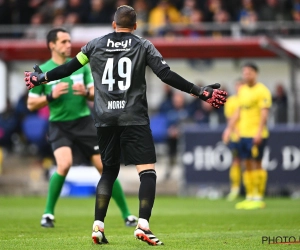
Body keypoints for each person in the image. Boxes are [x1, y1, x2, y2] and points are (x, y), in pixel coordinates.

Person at [24, 5, 227, 245]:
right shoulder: (143, 44)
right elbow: (165, 74)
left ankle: (98, 226)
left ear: (113, 25)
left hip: (104, 118)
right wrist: (199, 91)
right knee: (147, 171)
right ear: (135, 26)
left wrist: (41, 78)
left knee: (108, 171)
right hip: (133, 117)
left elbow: (69, 68)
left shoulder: (94, 44)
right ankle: (143, 224)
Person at [26, 27, 138, 228]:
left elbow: (96, 93)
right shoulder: (43, 71)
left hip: (84, 122)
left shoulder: (80, 66)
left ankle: (127, 215)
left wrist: (85, 91)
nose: (68, 45)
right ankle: (48, 214)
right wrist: (52, 95)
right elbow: (31, 104)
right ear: (52, 45)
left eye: (69, 41)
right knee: (64, 164)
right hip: (59, 125)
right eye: (64, 41)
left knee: (105, 168)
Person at [223, 62, 272, 210]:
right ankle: (250, 196)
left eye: (249, 72)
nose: (246, 75)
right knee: (247, 164)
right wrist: (228, 129)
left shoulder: (262, 91)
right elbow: (238, 112)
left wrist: (258, 133)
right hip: (243, 134)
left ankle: (259, 197)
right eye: (244, 73)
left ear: (255, 73)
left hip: (256, 134)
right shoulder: (243, 90)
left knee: (257, 163)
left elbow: (264, 114)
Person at [223, 78, 244, 201]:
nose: (238, 88)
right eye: (237, 86)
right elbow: (229, 119)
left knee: (249, 162)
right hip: (236, 137)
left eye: (240, 85)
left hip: (249, 134)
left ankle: (251, 191)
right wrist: (233, 131)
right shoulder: (231, 101)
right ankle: (235, 189)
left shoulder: (248, 100)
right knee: (236, 161)